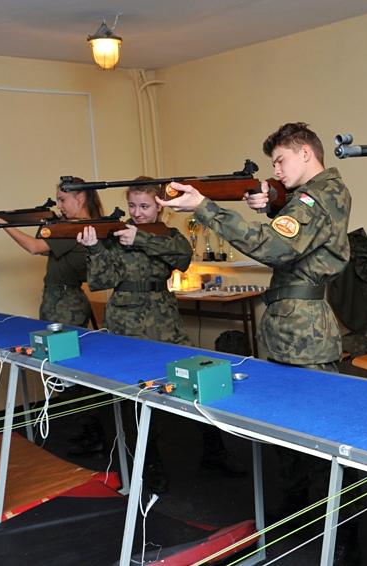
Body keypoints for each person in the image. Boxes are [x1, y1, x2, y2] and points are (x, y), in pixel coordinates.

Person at [159, 122, 357, 564]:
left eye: (281, 160)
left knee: (321, 436)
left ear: (306, 153)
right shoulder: (309, 197)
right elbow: (293, 236)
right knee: (288, 429)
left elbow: (274, 248)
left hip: (305, 333)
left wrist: (206, 207)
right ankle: (298, 512)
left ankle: (342, 534)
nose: (277, 170)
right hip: (290, 326)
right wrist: (270, 206)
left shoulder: (319, 195)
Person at [77, 178, 244, 492]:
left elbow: (181, 257)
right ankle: (148, 465)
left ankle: (214, 452)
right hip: (126, 326)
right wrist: (95, 249)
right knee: (135, 399)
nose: (137, 213)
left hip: (166, 323)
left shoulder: (167, 236)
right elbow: (101, 280)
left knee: (199, 384)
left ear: (159, 208)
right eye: (132, 206)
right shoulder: (114, 237)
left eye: (144, 206)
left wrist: (140, 238)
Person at [0, 181, 108, 455]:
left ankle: (92, 433)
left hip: (64, 302)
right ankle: (91, 430)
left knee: (67, 371)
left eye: (63, 199)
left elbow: (35, 248)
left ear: (81, 198)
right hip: (63, 299)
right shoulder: (78, 227)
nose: (59, 205)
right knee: (67, 370)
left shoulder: (75, 229)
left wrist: (4, 224)